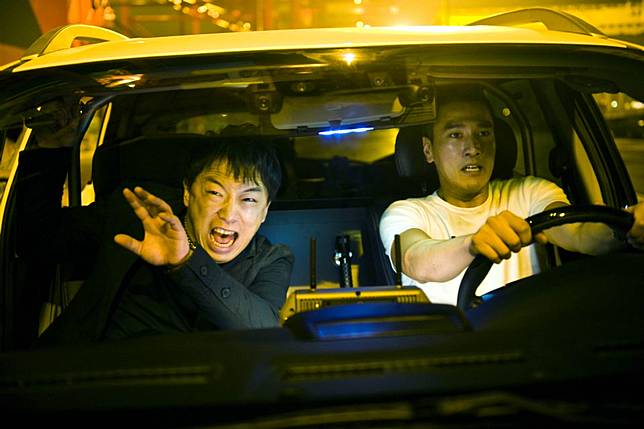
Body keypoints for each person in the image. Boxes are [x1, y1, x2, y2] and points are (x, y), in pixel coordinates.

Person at [16, 99, 294, 346]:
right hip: (89, 373)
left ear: (265, 211)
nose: (229, 213)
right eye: (214, 193)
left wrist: (186, 261)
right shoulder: (139, 211)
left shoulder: (270, 260)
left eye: (248, 200)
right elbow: (37, 239)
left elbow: (263, 330)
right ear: (187, 192)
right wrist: (50, 149)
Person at [379, 84, 644, 305]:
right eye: (456, 134)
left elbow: (578, 233)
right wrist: (472, 244)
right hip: (447, 347)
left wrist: (628, 227)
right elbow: (415, 260)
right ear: (428, 150)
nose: (473, 147)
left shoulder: (530, 192)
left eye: (484, 132)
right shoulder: (406, 212)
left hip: (528, 341)